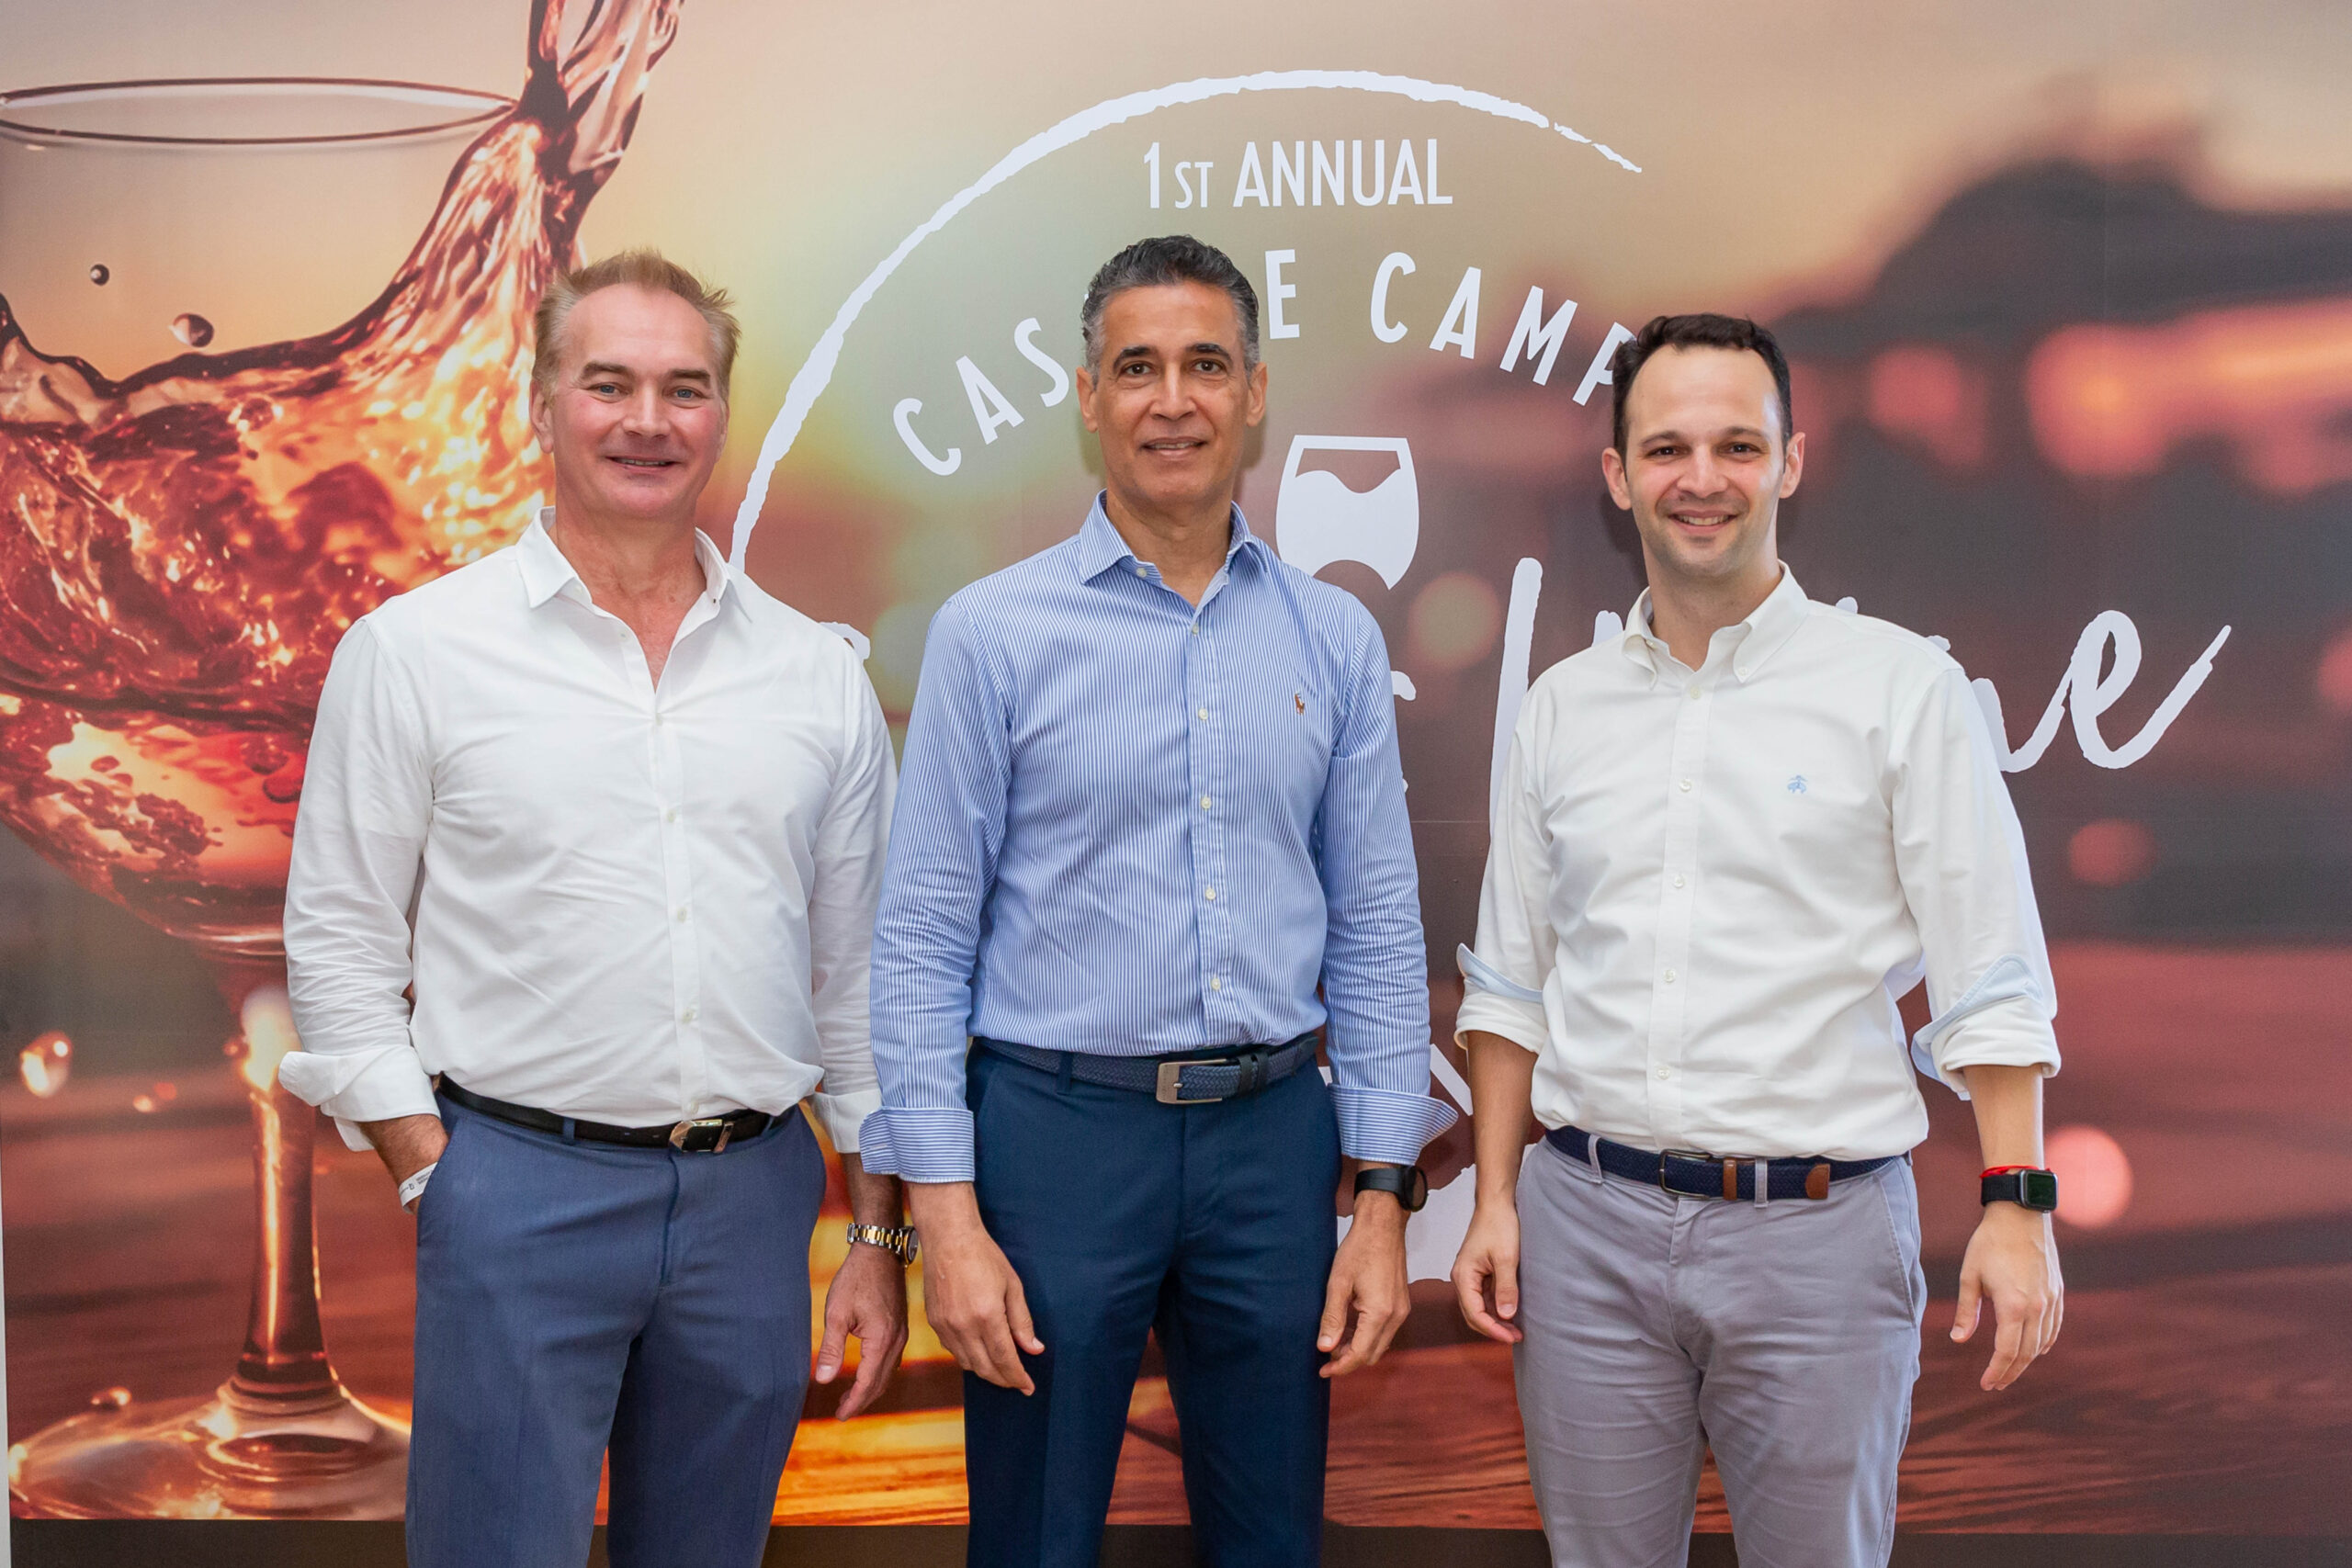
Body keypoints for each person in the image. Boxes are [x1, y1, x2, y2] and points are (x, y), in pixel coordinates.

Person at [280, 250, 910, 1568]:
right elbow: (339, 942)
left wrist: (874, 1234)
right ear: (540, 404)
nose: (647, 420)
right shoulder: (415, 653)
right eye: (608, 383)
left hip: (753, 1207)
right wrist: (433, 1169)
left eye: (684, 388)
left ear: (721, 415)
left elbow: (858, 978)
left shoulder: (815, 675)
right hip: (514, 1189)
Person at [860, 234, 1456, 1567]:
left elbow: (1374, 931)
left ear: (1256, 393)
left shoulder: (1333, 638)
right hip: (1054, 1140)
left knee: (1272, 1540)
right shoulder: (990, 635)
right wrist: (942, 1215)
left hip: (1272, 1146)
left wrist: (1381, 1196)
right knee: (1037, 1539)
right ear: (1089, 396)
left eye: (1205, 365)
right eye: (1137, 368)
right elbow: (921, 942)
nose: (1171, 400)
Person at [1451, 313, 2064, 1568]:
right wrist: (1497, 1200)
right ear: (1618, 475)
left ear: (1790, 461)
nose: (1702, 478)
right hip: (1585, 1233)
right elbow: (1512, 981)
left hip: (1818, 1243)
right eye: (1666, 448)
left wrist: (2018, 1205)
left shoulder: (1902, 690)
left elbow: (1991, 971)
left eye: (1738, 445)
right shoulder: (1561, 708)